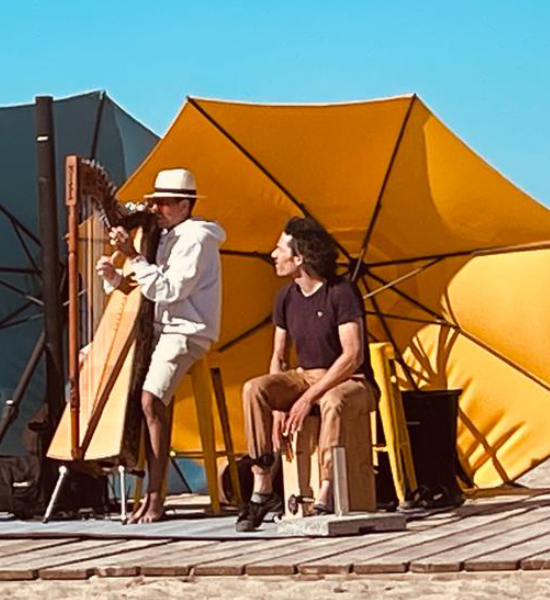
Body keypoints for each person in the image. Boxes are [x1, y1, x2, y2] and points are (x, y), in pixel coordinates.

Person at [96, 168, 225, 524]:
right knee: (128, 389)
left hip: (187, 330)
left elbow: (168, 290)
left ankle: (156, 496)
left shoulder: (197, 239)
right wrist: (115, 276)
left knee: (150, 399)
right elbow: (141, 285)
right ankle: (147, 489)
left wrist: (134, 258)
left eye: (164, 203)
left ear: (185, 205)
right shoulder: (161, 235)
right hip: (160, 328)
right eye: (153, 203)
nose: (155, 209)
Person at [237, 217, 379, 532]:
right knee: (253, 389)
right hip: (304, 377)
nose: (273, 255)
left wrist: (306, 399)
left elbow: (352, 356)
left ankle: (326, 492)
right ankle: (262, 486)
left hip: (348, 381)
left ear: (299, 258)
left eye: (279, 249)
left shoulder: (341, 292)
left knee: (333, 402)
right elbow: (278, 356)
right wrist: (277, 410)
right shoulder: (285, 297)